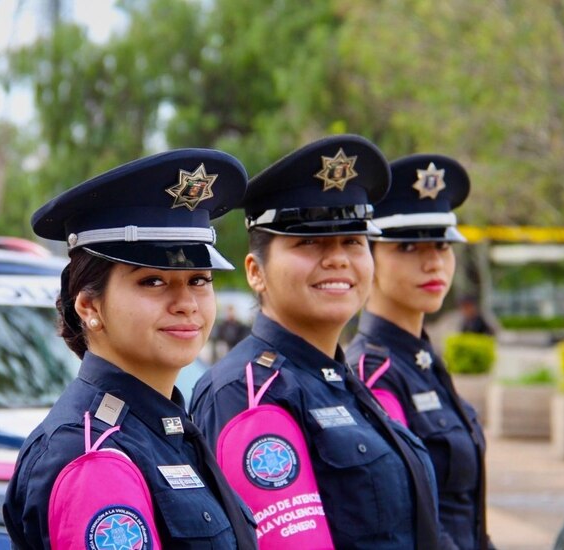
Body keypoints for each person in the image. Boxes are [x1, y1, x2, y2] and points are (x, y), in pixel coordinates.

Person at [191, 135, 446, 549]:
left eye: (352, 240)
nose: (338, 258)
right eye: (309, 241)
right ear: (256, 271)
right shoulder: (248, 392)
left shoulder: (338, 377)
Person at [4, 149, 258, 549]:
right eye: (153, 281)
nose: (186, 303)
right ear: (89, 306)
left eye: (199, 279)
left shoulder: (164, 425)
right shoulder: (95, 459)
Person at [345, 154, 493, 549]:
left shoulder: (424, 360)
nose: (433, 263)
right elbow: (407, 514)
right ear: (368, 257)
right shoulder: (371, 372)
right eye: (408, 246)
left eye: (442, 245)